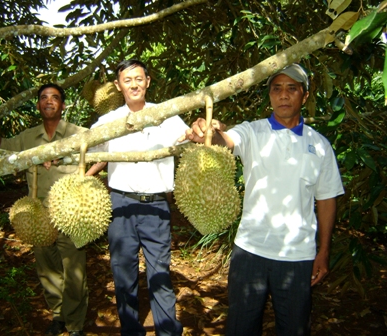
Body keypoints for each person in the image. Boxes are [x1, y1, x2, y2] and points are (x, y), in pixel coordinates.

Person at [180, 64, 345, 336]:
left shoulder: (320, 145)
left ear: (304, 96)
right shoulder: (253, 132)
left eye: (292, 89)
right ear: (269, 96)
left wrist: (323, 251)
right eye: (276, 89)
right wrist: (208, 131)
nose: (283, 95)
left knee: (294, 329)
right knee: (241, 327)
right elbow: (226, 141)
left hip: (298, 255)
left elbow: (326, 200)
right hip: (250, 251)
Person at [0, 84, 88, 336]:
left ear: (63, 105)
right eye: (43, 98)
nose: (48, 101)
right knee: (47, 269)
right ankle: (57, 316)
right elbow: (1, 146)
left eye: (55, 98)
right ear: (39, 105)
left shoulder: (79, 134)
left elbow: (102, 155)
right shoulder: (28, 137)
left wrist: (84, 175)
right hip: (37, 213)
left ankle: (75, 325)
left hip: (72, 211)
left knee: (74, 270)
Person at [86, 59, 186, 336]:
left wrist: (208, 127)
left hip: (156, 205)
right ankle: (131, 330)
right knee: (123, 273)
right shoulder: (108, 121)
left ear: (148, 81)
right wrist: (84, 174)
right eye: (127, 80)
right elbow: (94, 153)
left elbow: (192, 137)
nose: (134, 84)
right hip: (120, 205)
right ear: (119, 86)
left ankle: (168, 331)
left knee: (160, 273)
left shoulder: (167, 115)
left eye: (139, 78)